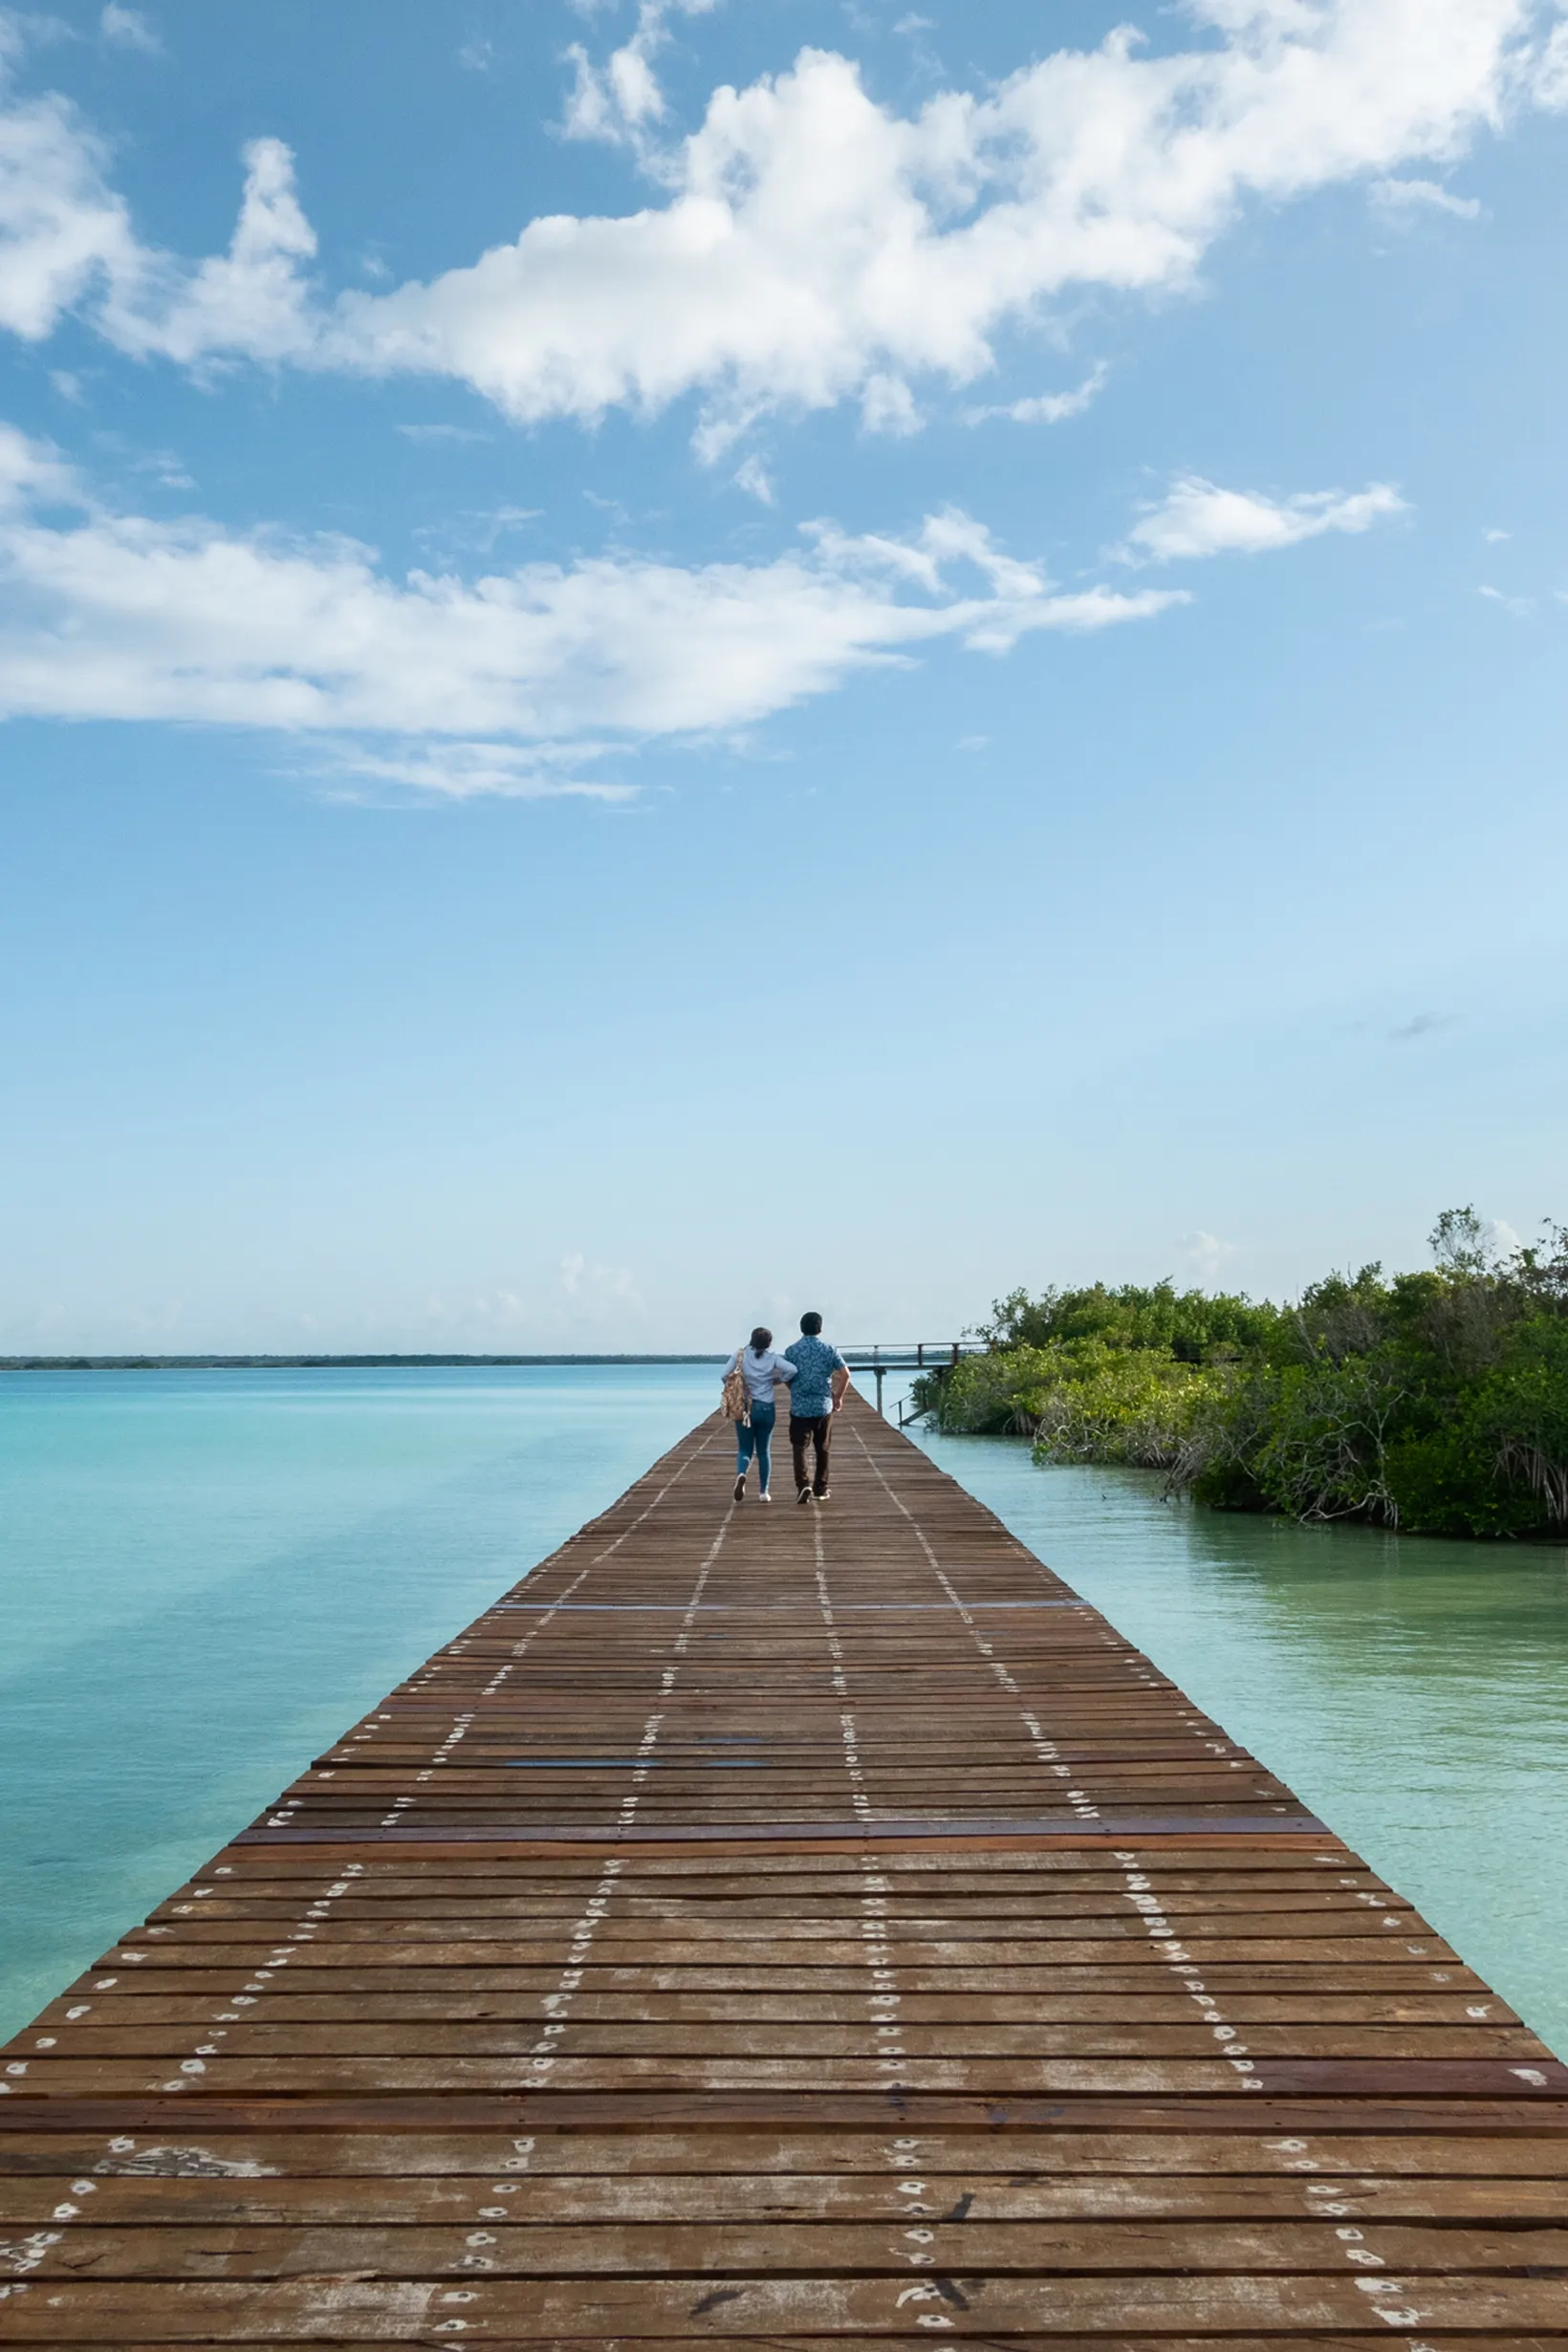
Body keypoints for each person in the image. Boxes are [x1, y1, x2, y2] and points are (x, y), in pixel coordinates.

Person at [719, 1326, 796, 1502]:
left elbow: (724, 1375)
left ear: (751, 1340)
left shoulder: (740, 1355)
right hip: (766, 1408)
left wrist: (738, 1386)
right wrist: (778, 1380)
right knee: (763, 1451)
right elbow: (792, 1369)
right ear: (769, 1343)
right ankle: (763, 1492)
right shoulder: (773, 1358)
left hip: (745, 1407)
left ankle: (741, 1473)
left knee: (745, 1449)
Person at [784, 1310, 850, 1504]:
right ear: (820, 1329)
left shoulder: (791, 1351)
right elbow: (846, 1375)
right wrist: (838, 1397)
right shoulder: (829, 1350)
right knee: (822, 1448)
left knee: (799, 1447)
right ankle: (820, 1489)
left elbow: (784, 1376)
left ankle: (802, 1485)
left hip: (799, 1408)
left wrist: (794, 1388)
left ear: (801, 1328)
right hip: (823, 1407)